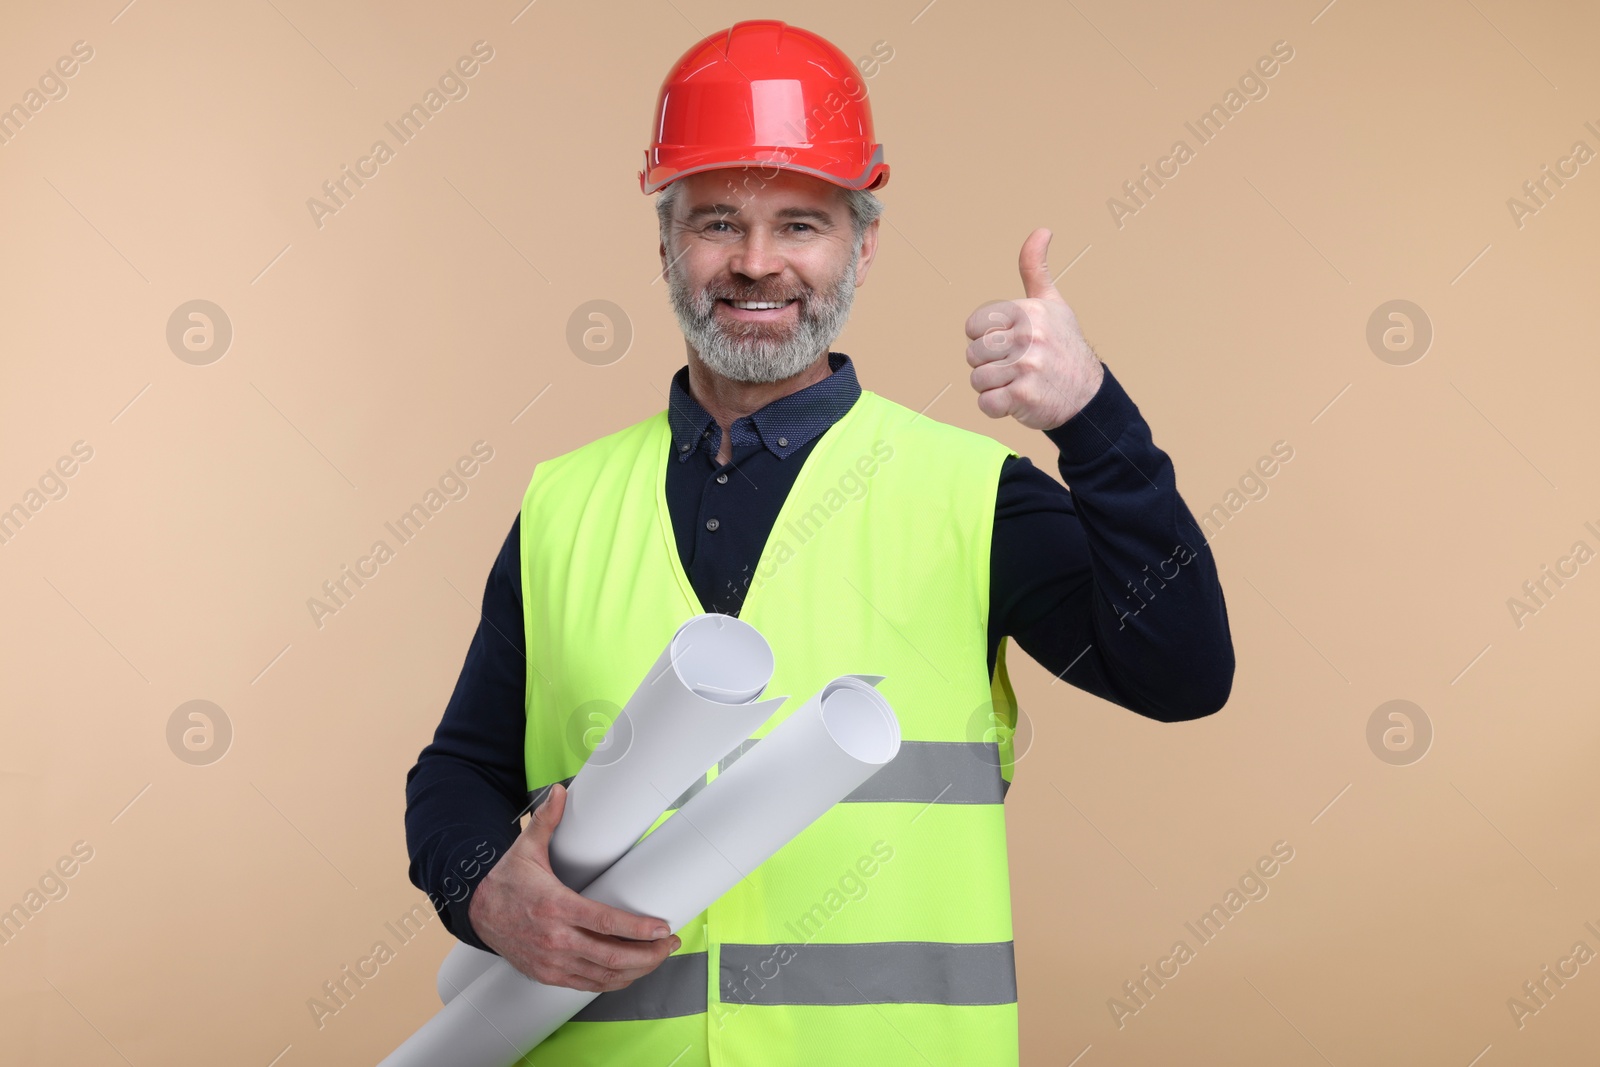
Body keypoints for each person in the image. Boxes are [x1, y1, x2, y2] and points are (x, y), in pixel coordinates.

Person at [404, 18, 1233, 1065]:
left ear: (862, 243)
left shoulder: (969, 497)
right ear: (664, 241)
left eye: (800, 224)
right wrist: (481, 883)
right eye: (716, 222)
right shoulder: (565, 504)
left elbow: (1184, 671)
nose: (755, 265)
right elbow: (457, 769)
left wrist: (1092, 417)